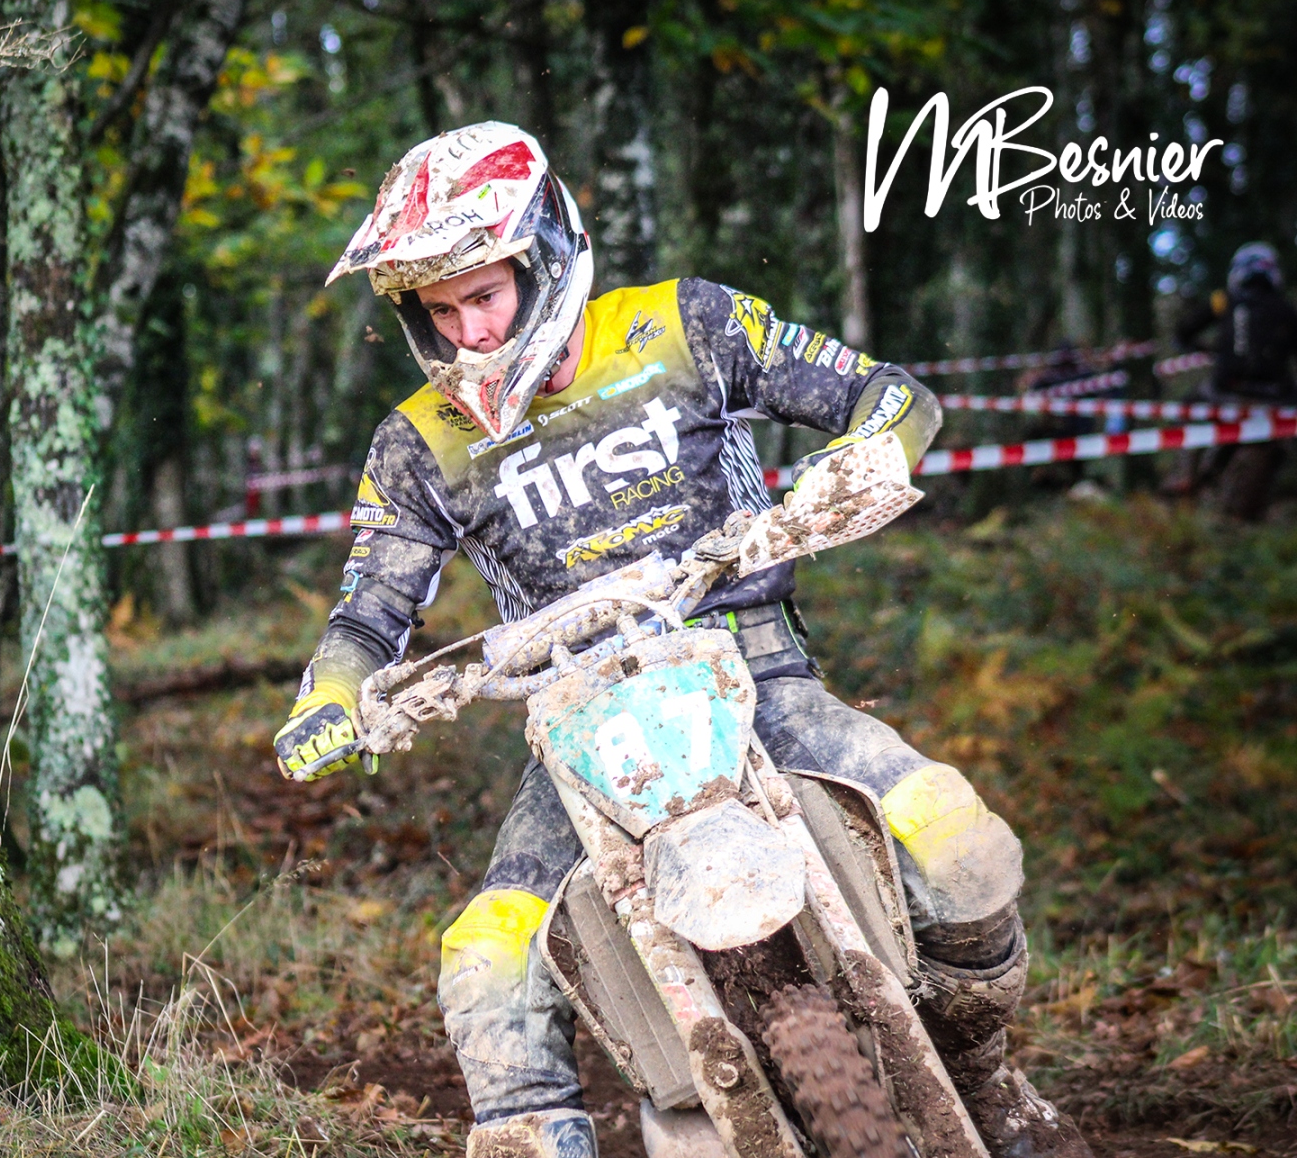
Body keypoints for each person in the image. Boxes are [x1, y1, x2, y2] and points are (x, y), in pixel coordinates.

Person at [271, 122, 1089, 1158]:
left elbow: (890, 394)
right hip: (580, 727)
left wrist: (866, 456)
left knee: (952, 834)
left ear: (544, 257)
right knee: (488, 957)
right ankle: (532, 1134)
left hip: (753, 669)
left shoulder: (685, 324)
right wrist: (331, 695)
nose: (471, 333)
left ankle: (980, 1074)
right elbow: (368, 609)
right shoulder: (418, 442)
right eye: (442, 310)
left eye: (485, 295)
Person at [1172, 242, 1297, 520]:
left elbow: (1184, 330)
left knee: (1187, 408)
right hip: (1276, 397)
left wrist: (1203, 348)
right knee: (1281, 442)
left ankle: (1184, 474)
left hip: (1225, 390)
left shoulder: (1223, 300)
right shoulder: (1286, 308)